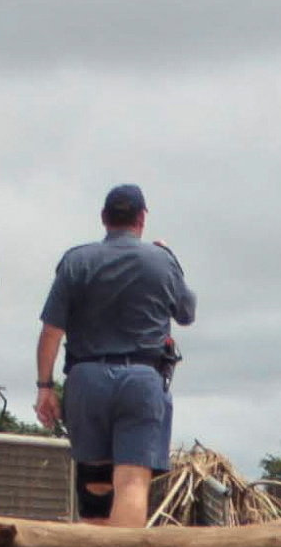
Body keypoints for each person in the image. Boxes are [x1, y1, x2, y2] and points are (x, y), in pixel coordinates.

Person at [33, 183, 196, 527]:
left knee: (94, 482)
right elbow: (186, 313)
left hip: (87, 378)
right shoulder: (161, 261)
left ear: (104, 218)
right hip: (141, 378)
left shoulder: (77, 260)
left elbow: (51, 331)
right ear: (142, 218)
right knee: (132, 481)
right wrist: (173, 260)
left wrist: (45, 386)